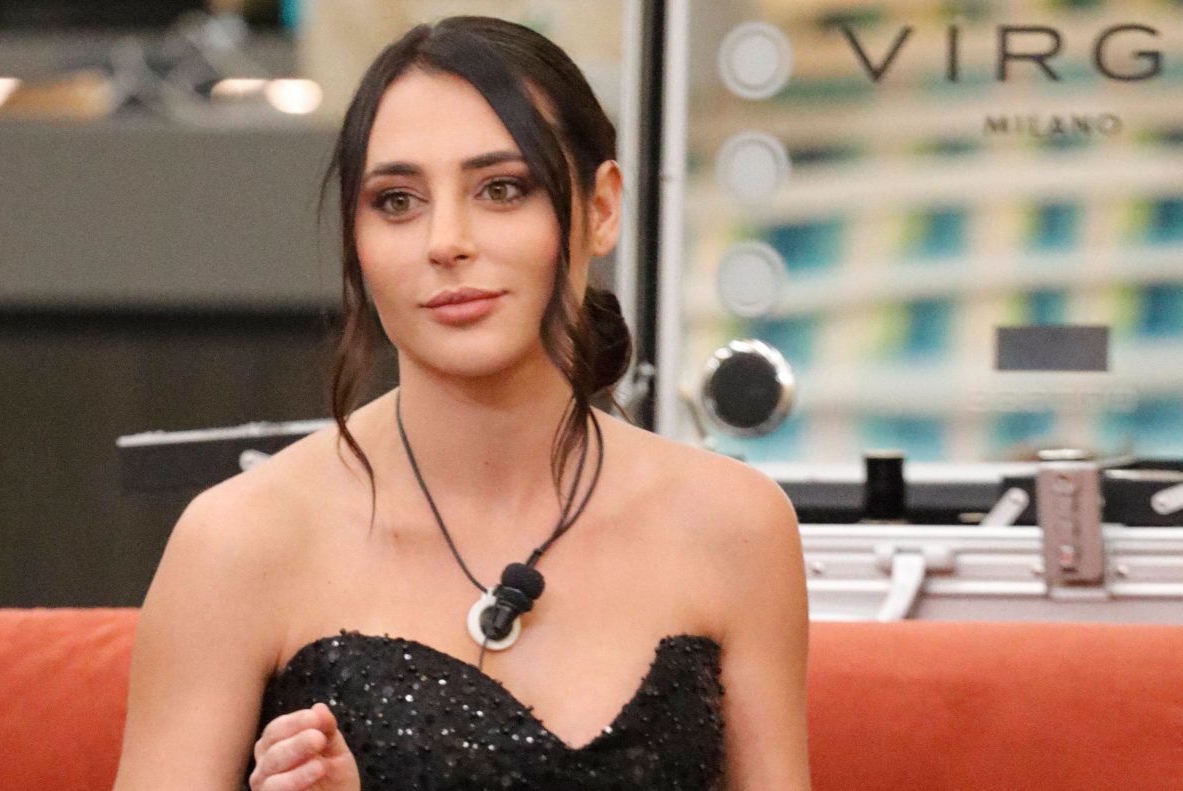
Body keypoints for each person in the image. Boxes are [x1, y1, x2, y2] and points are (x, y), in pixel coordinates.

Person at [112, 15, 809, 791]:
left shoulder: (735, 527)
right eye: (397, 201)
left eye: (502, 189)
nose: (445, 240)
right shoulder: (238, 541)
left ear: (602, 208)